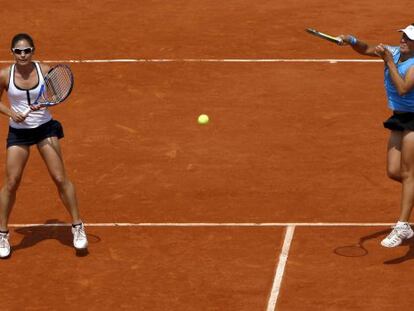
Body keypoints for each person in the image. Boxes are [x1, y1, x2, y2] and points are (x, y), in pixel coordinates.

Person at [0, 33, 88, 258]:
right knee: (11, 182)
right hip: (18, 133)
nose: (23, 55)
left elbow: (57, 93)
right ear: (12, 53)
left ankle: (78, 227)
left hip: (45, 130)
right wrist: (11, 113)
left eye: (27, 50)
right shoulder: (5, 75)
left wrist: (44, 101)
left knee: (60, 178)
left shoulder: (46, 71)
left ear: (33, 51)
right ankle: (2, 234)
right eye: (18, 51)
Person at [340, 24, 414, 247]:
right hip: (399, 118)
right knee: (394, 171)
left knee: (409, 172)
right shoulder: (392, 51)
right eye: (402, 36)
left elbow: (402, 89)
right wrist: (351, 39)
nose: (402, 40)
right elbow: (367, 48)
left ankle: (403, 226)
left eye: (408, 39)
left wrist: (389, 62)